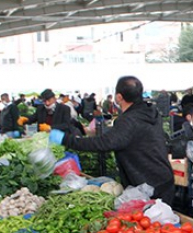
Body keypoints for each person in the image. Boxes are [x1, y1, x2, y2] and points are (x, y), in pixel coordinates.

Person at [49, 76, 175, 204]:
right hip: (162, 178)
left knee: (155, 221)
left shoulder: (129, 120)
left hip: (148, 185)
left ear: (119, 97)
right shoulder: (149, 112)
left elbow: (104, 143)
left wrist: (66, 139)